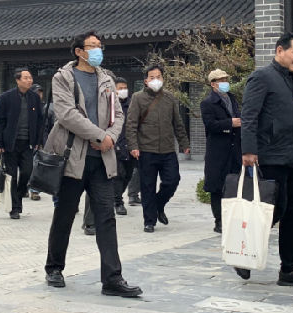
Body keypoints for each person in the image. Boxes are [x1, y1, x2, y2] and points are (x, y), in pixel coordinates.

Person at [44, 31, 142, 297]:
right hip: (73, 159)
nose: (98, 50)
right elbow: (66, 114)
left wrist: (110, 138)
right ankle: (54, 267)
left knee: (106, 218)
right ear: (79, 51)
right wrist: (99, 136)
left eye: (100, 46)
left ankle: (112, 279)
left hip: (102, 160)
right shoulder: (63, 77)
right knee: (65, 214)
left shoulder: (106, 78)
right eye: (93, 46)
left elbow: (118, 114)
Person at [238, 32, 293, 286]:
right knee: (272, 210)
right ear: (279, 51)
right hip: (272, 156)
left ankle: (289, 268)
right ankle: (243, 253)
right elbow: (249, 116)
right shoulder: (262, 77)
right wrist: (248, 150)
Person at [126, 64, 190, 233]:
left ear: (163, 78)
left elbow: (177, 122)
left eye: (158, 77)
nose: (156, 80)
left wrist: (184, 143)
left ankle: (158, 204)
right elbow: (131, 124)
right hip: (146, 150)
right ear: (146, 81)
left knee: (172, 180)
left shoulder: (169, 98)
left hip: (168, 149)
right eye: (152, 77)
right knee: (147, 186)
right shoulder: (138, 98)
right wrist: (133, 146)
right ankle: (149, 221)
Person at [0, 68, 44, 219]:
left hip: (27, 143)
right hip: (10, 143)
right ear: (17, 80)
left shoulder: (34, 98)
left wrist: (38, 140)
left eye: (30, 77)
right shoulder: (6, 97)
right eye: (26, 78)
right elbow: (0, 121)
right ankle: (15, 208)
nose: (29, 80)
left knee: (27, 172)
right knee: (12, 176)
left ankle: (20, 194)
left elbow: (40, 120)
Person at [200, 68, 242, 234]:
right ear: (213, 84)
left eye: (226, 79)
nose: (225, 83)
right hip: (217, 150)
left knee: (233, 185)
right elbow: (210, 125)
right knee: (217, 187)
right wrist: (229, 123)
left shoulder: (232, 99)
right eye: (221, 80)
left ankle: (231, 219)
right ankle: (219, 221)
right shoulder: (208, 103)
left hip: (234, 148)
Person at [112, 77, 134, 216]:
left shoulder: (132, 104)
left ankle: (116, 196)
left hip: (130, 145)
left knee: (128, 175)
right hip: (115, 145)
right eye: (120, 88)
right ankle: (118, 202)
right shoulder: (110, 105)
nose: (123, 91)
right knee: (119, 175)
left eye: (125, 88)